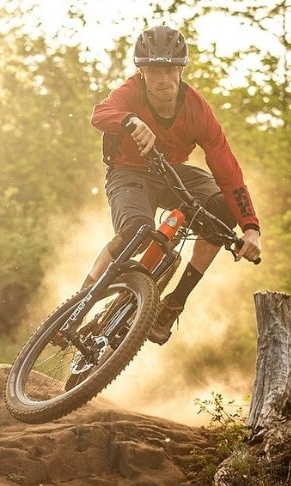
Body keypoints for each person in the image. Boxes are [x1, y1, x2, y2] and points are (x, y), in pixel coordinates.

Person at [86, 25, 262, 345]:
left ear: (181, 69)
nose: (162, 79)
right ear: (142, 71)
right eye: (154, 71)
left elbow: (228, 171)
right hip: (128, 172)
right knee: (137, 232)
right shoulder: (131, 91)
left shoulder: (197, 110)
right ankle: (81, 304)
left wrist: (251, 227)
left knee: (221, 211)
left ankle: (173, 304)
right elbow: (100, 114)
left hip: (171, 173)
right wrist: (130, 120)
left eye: (169, 70)